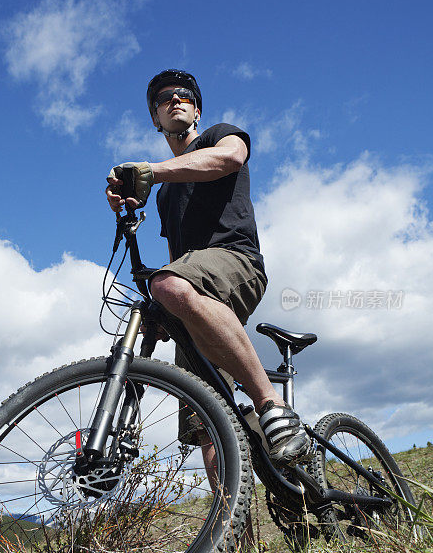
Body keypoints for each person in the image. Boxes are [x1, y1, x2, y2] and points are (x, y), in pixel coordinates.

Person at [106, 69, 310, 470]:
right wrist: (168, 309)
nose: (175, 100)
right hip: (195, 278)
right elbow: (178, 253)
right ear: (156, 120)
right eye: (164, 99)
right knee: (207, 424)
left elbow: (231, 158)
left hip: (237, 261)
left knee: (169, 283)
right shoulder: (164, 195)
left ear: (197, 110)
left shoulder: (220, 135)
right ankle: (231, 530)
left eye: (184, 96)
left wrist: (151, 170)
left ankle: (271, 404)